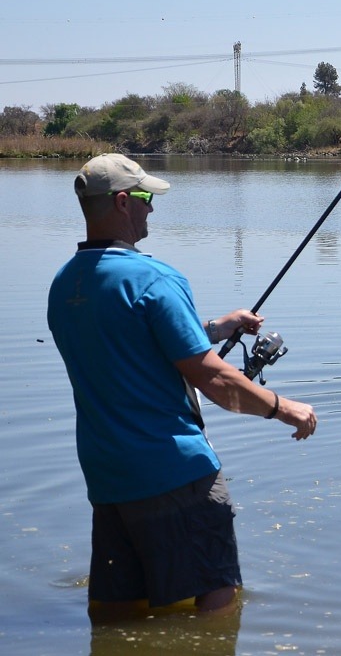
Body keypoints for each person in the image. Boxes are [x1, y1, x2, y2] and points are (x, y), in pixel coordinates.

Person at [47, 153, 318, 619]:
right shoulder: (155, 278)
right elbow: (211, 377)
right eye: (146, 198)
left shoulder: (64, 284)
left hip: (107, 477)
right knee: (217, 593)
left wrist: (213, 327)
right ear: (122, 203)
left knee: (118, 609)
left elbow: (128, 337)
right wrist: (282, 407)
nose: (152, 208)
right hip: (174, 471)